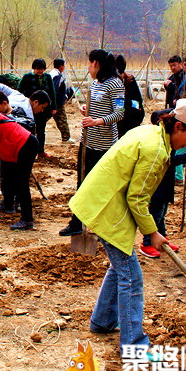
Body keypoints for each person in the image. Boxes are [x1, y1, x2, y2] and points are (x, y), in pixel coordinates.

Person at [69, 99, 186, 358]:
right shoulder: (155, 150)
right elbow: (137, 198)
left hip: (104, 203)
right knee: (131, 276)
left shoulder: (152, 134)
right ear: (178, 126)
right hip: (108, 210)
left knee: (120, 268)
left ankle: (102, 322)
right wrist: (153, 233)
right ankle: (134, 345)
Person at [60, 49, 125, 236]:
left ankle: (103, 223)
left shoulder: (115, 84)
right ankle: (77, 222)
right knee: (82, 182)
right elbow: (97, 106)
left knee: (101, 185)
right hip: (87, 141)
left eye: (88, 63)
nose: (87, 67)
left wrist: (97, 121)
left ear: (95, 63)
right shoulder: (95, 83)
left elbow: (119, 113)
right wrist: (86, 109)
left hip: (104, 145)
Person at [139, 110, 186, 258]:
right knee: (155, 215)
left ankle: (162, 239)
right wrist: (185, 157)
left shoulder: (169, 143)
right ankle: (147, 242)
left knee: (162, 214)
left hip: (166, 184)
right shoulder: (159, 144)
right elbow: (167, 162)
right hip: (158, 186)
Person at [18, 58, 57, 157]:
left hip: (42, 108)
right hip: (30, 107)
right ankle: (28, 151)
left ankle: (40, 151)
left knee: (41, 130)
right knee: (29, 128)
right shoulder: (27, 77)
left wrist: (53, 107)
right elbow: (19, 90)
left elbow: (52, 92)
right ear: (34, 68)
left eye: (42, 69)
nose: (40, 71)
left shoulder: (47, 77)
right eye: (38, 69)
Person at [115, 55, 145, 138]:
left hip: (130, 119)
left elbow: (137, 102)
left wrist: (128, 104)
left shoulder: (130, 81)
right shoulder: (112, 83)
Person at [49, 58, 73, 142]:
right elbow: (55, 90)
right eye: (64, 65)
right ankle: (66, 138)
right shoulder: (57, 76)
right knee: (62, 120)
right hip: (57, 103)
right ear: (61, 66)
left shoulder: (51, 73)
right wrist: (54, 104)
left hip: (50, 102)